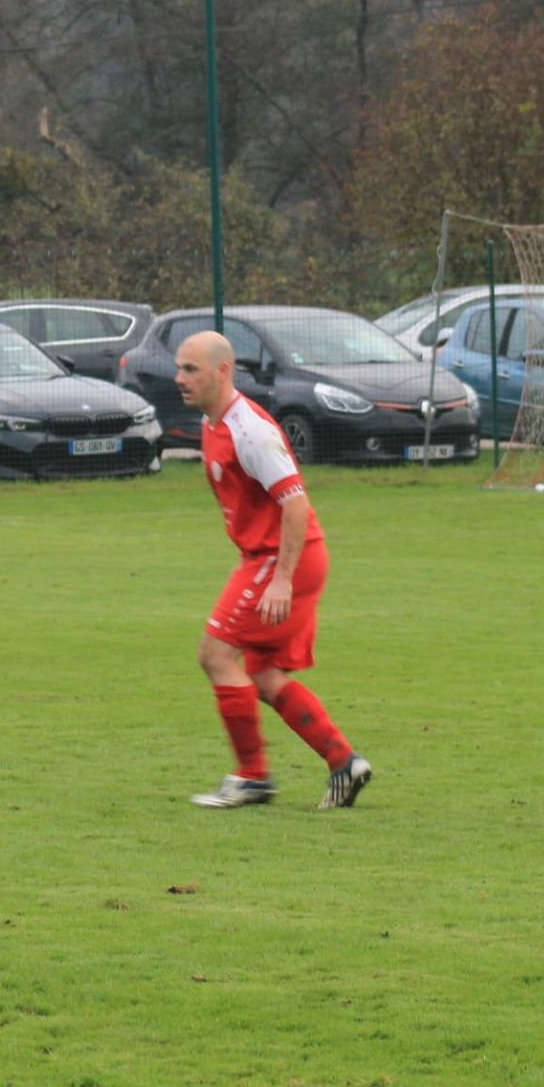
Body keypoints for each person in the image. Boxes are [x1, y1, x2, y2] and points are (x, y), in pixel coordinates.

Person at [173, 330, 374, 810]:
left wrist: (281, 577)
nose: (179, 378)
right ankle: (344, 762)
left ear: (222, 372)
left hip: (283, 558)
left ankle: (253, 777)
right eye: (179, 368)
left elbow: (296, 505)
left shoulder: (251, 430)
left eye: (190, 369)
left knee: (216, 655)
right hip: (272, 556)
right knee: (263, 675)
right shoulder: (213, 423)